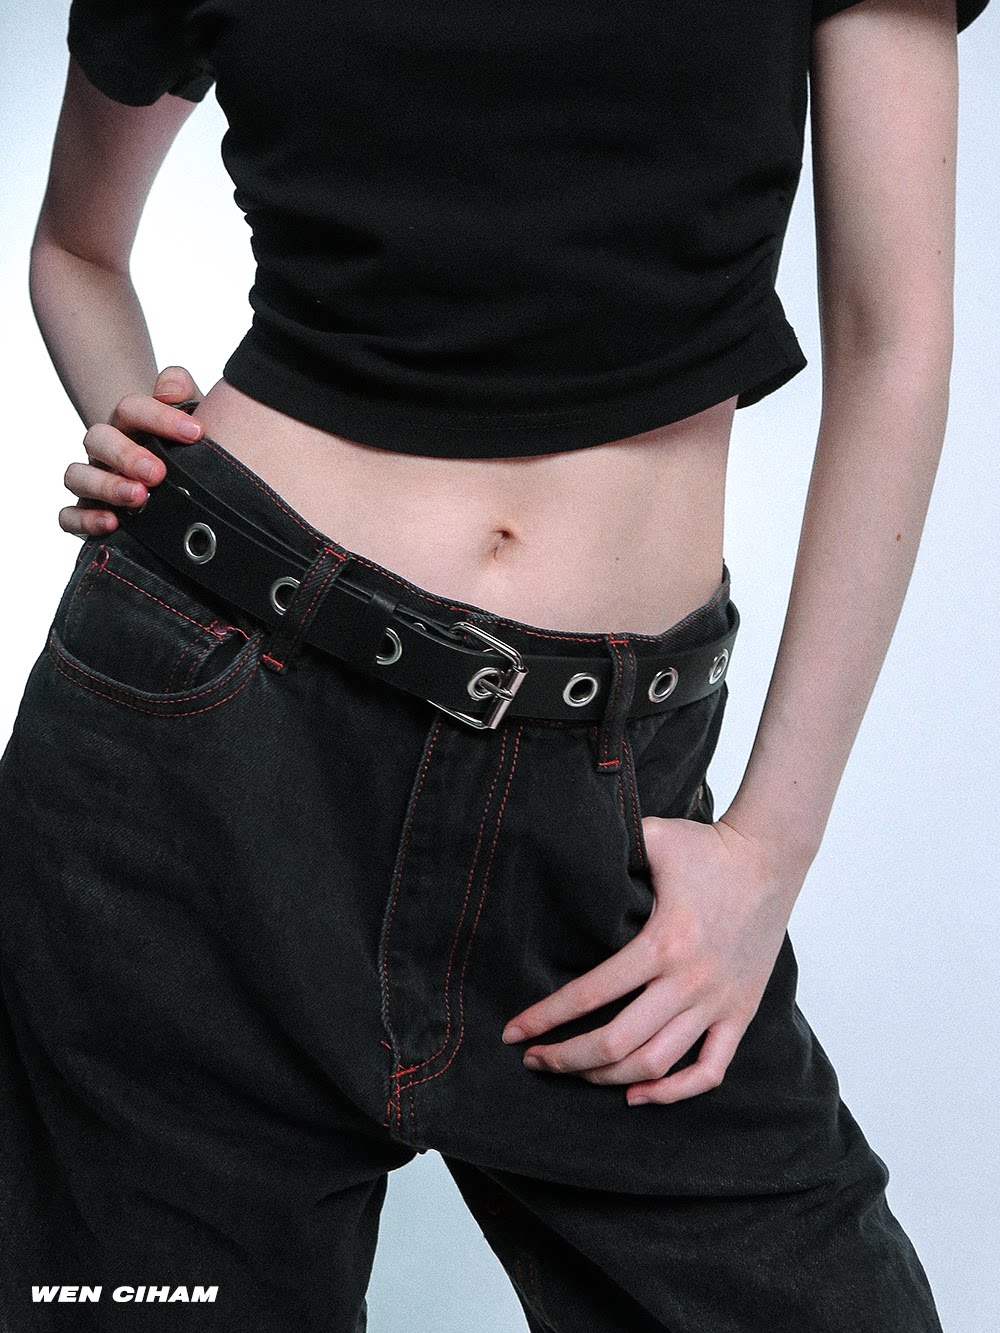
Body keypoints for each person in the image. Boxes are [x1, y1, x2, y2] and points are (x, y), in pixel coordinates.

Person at [0, 0, 991, 1328]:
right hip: (205, 753)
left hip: (606, 805)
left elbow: (896, 341)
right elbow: (73, 247)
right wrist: (144, 443)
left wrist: (771, 847)